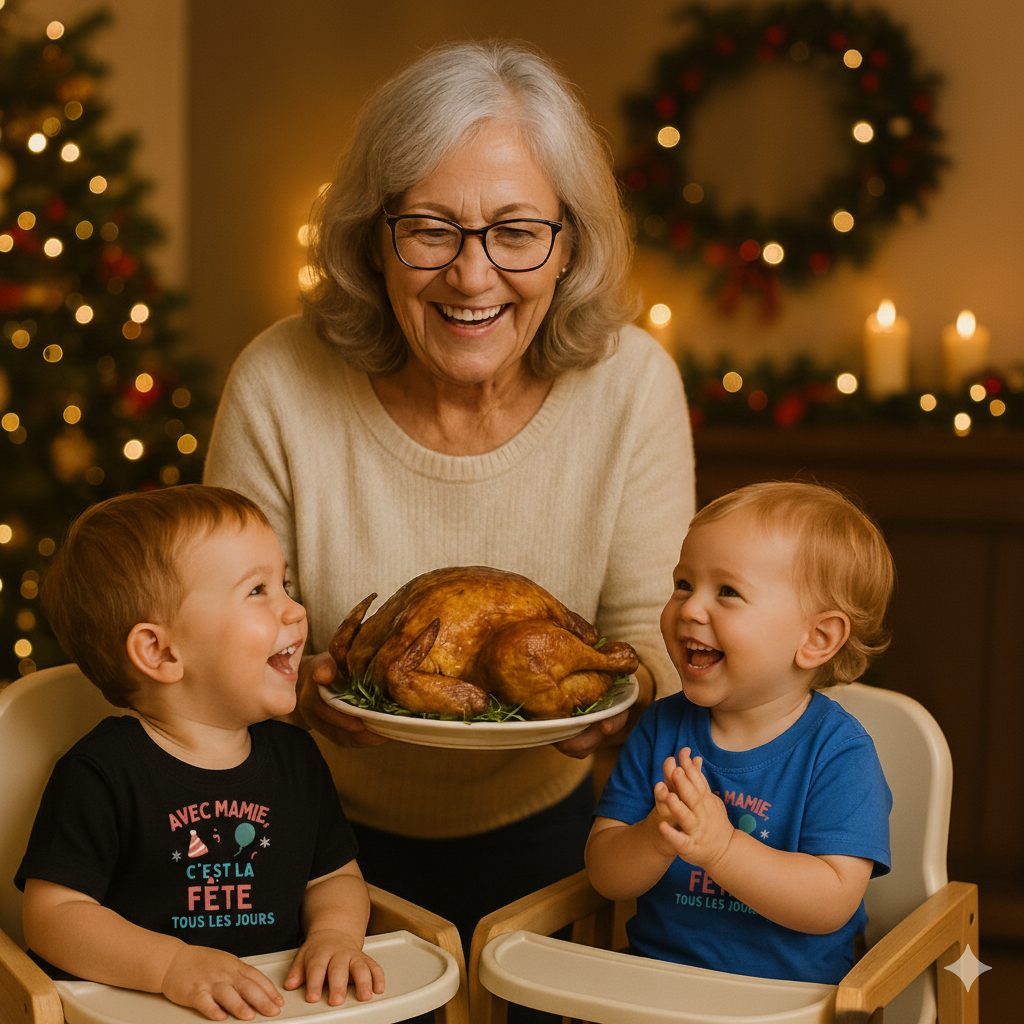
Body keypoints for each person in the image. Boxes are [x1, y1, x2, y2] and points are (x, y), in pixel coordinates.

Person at [203, 38, 695, 956]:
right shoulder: (278, 379)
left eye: (515, 231)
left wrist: (614, 710)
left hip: (552, 840)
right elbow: (221, 637)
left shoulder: (632, 385)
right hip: (307, 842)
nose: (472, 277)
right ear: (372, 235)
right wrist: (298, 693)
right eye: (431, 228)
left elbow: (650, 640)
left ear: (567, 246)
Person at [17, 485, 385, 1022]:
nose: (296, 610)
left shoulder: (296, 759)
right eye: (258, 590)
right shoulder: (101, 772)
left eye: (283, 583)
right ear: (161, 652)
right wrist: (171, 966)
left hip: (277, 1005)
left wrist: (333, 935)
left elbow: (333, 876)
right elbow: (53, 915)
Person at [586, 481, 894, 985]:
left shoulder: (839, 753)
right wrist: (657, 837)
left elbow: (832, 901)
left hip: (784, 1005)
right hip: (653, 993)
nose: (689, 608)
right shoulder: (661, 727)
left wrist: (722, 848)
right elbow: (605, 874)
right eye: (683, 584)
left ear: (815, 639)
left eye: (727, 592)